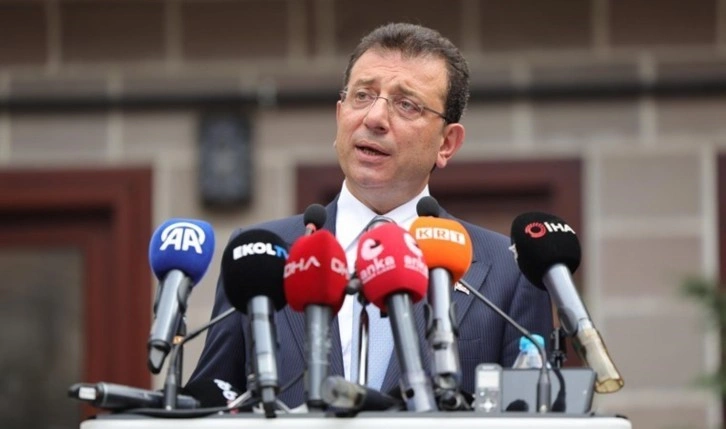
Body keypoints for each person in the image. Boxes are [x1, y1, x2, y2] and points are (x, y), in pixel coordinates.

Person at [188, 22, 553, 408]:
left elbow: (532, 413)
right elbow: (212, 399)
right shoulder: (261, 255)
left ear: (446, 143)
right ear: (340, 115)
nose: (375, 117)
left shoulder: (508, 273)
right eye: (362, 96)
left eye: (407, 104)